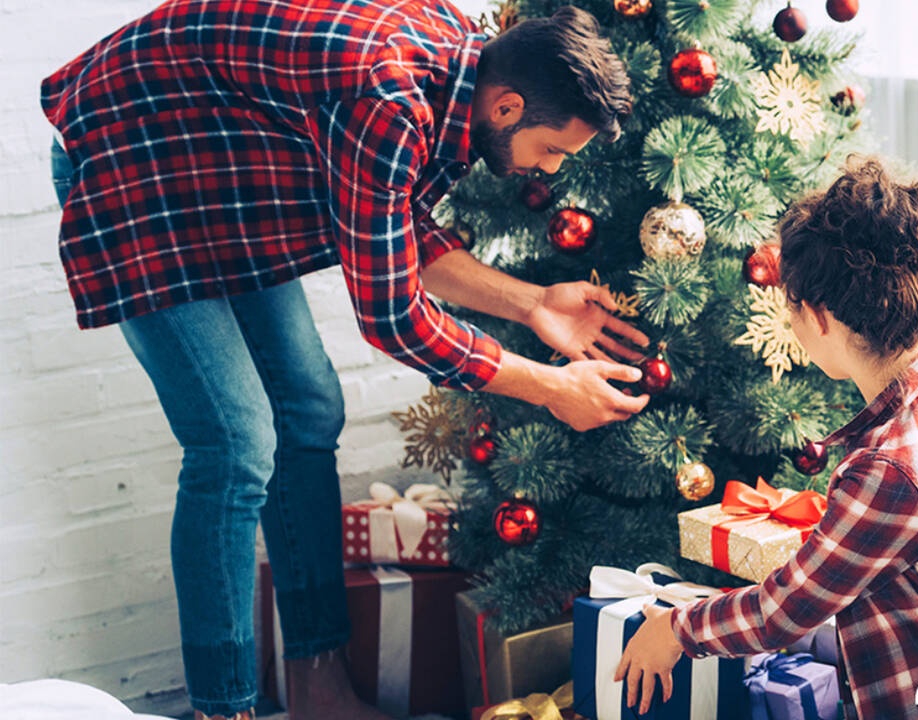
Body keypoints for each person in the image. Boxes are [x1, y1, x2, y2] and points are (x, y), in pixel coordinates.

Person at [42, 2, 649, 718]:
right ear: (508, 105)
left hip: (223, 170)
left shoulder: (461, 59)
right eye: (551, 150)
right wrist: (547, 386)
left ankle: (318, 681)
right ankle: (223, 707)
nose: (546, 170)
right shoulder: (388, 96)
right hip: (130, 162)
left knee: (309, 409)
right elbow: (393, 318)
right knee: (237, 443)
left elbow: (398, 231)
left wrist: (530, 303)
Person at [615, 156, 918, 719]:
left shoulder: (890, 470)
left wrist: (674, 630)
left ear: (819, 316)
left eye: (790, 309)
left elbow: (783, 612)